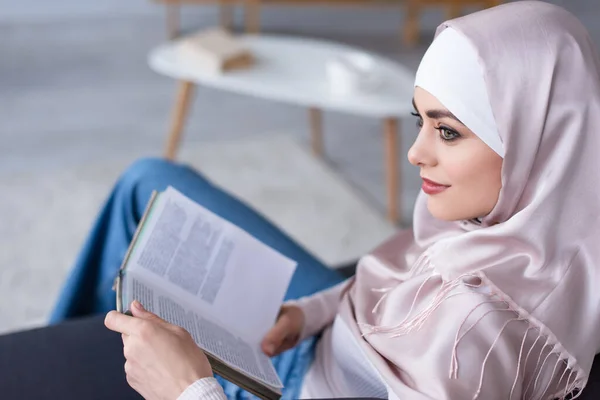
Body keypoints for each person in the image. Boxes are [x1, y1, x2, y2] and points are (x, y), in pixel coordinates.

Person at [52, 1, 600, 399]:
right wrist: (307, 313)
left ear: (539, 141)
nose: (415, 154)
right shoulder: (511, 226)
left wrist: (187, 388)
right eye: (420, 121)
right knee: (149, 182)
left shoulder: (479, 336)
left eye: (448, 132)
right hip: (314, 343)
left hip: (295, 387)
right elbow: (399, 290)